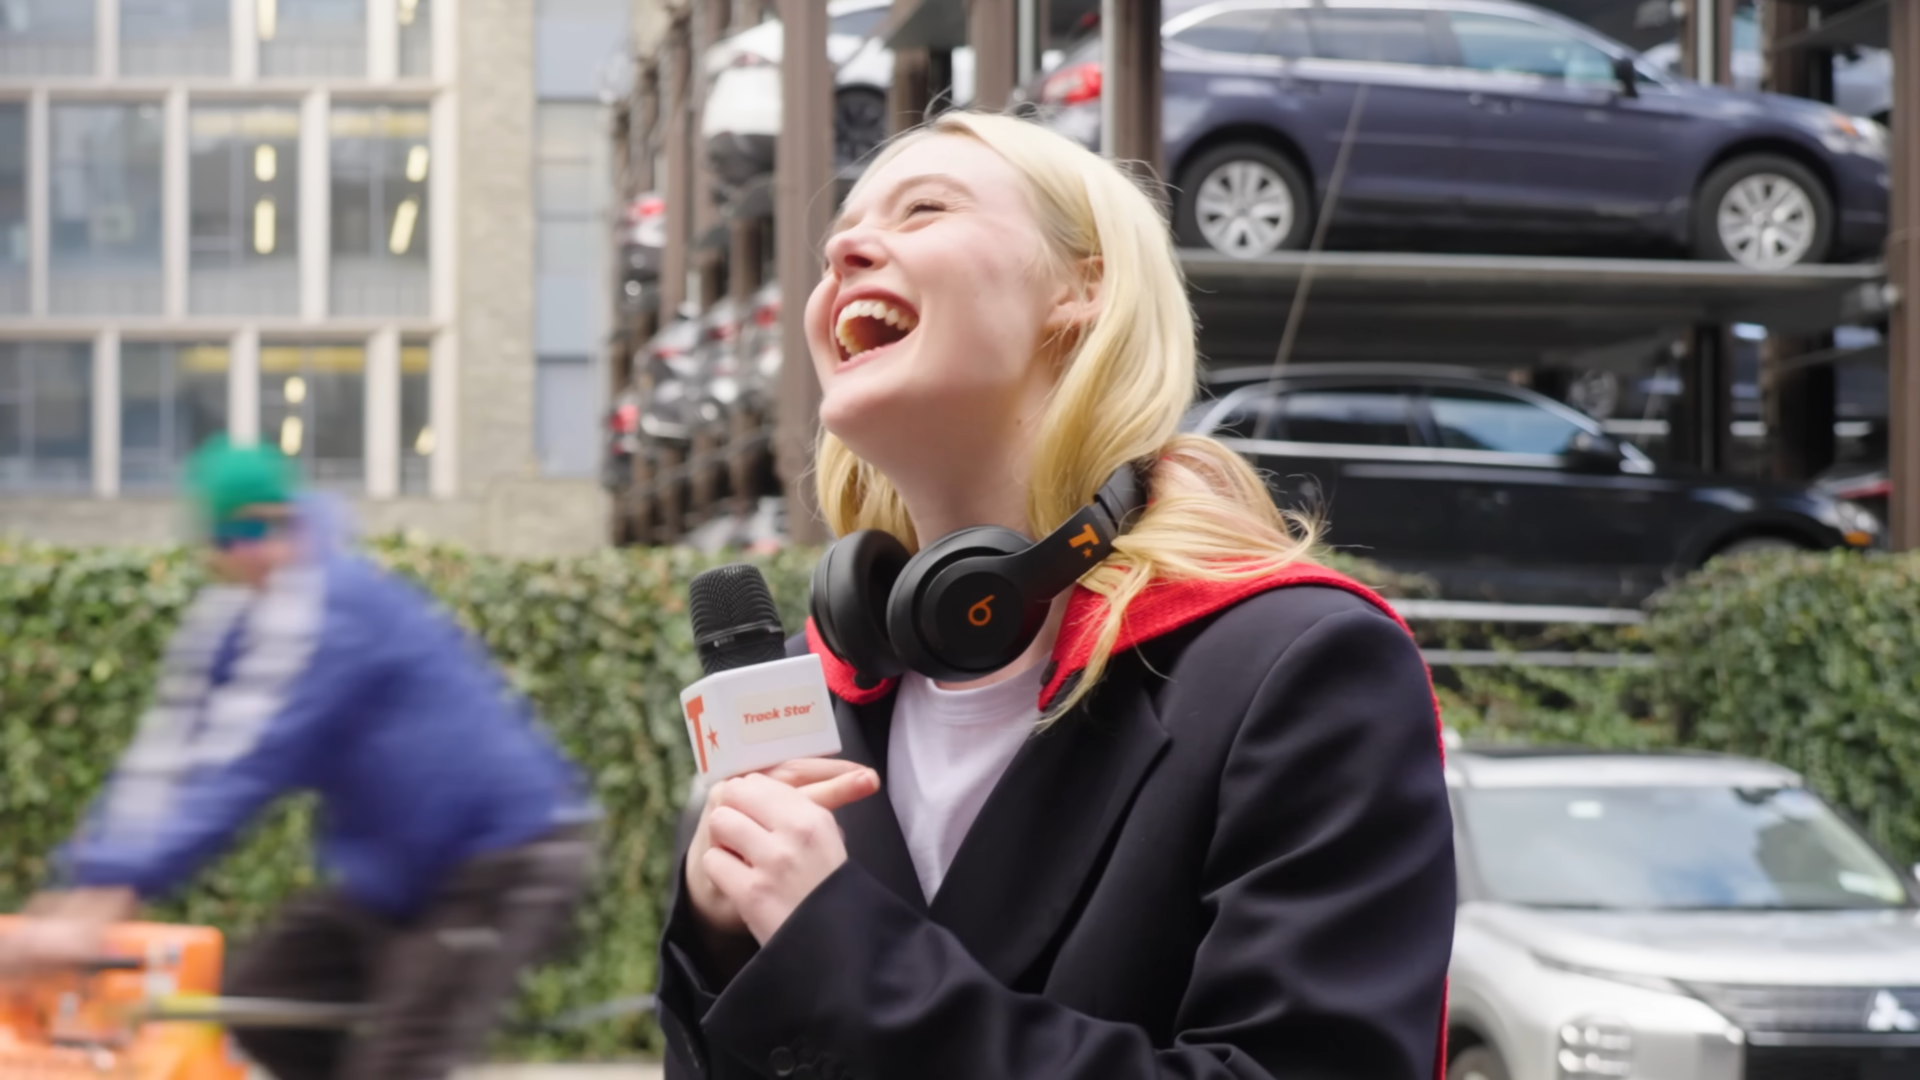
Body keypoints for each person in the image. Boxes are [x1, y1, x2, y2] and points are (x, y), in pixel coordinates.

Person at [655, 112, 1456, 1080]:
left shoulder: (1301, 666)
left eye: (924, 210)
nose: (841, 250)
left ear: (1084, 288)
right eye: (840, 239)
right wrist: (720, 940)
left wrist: (844, 956)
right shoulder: (801, 696)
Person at [0, 436, 599, 1080]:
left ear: (292, 518)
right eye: (231, 536)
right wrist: (85, 888)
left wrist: (109, 898)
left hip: (500, 858)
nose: (251, 550)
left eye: (264, 527)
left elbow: (242, 767)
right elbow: (167, 761)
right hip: (394, 879)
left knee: (399, 1063)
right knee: (261, 1012)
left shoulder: (329, 603)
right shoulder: (231, 622)